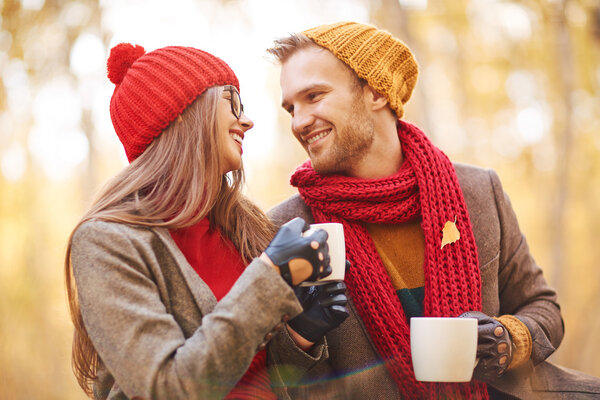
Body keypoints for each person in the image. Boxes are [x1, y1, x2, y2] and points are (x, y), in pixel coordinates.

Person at [265, 21, 600, 399]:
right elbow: (281, 377)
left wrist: (507, 340)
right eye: (291, 107)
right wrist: (302, 336)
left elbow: (542, 307)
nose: (299, 121)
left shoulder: (478, 192)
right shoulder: (288, 228)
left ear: (376, 91)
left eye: (314, 96)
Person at [64, 43, 345, 399]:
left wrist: (299, 336)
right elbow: (166, 387)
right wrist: (270, 277)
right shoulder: (106, 243)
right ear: (180, 112)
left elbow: (253, 374)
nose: (247, 120)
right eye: (232, 103)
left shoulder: (244, 225)